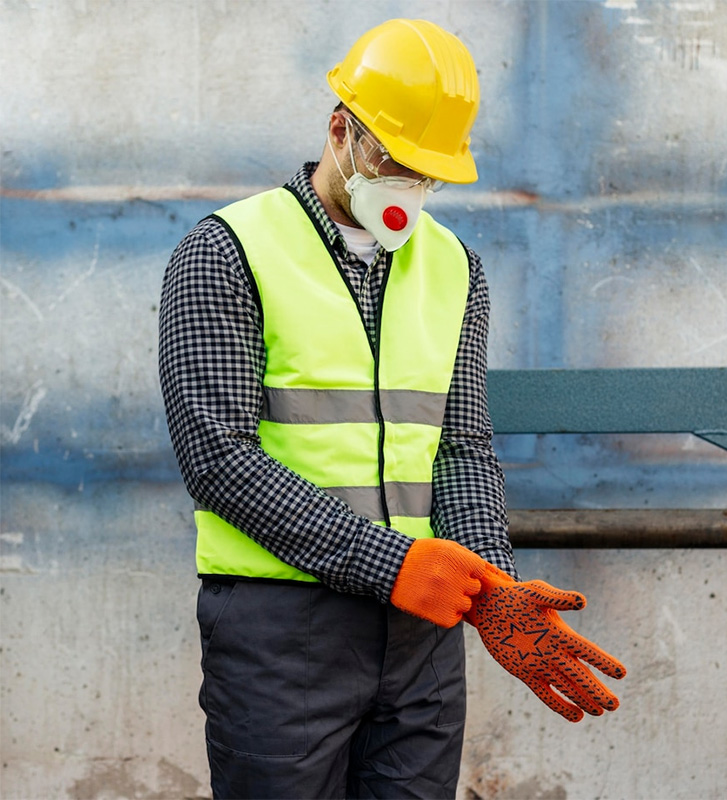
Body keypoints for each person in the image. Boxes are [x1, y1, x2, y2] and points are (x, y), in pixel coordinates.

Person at [159, 18, 625, 800]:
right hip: (282, 636)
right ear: (340, 130)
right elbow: (219, 458)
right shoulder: (227, 252)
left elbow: (460, 448)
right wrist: (393, 563)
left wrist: (495, 588)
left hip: (422, 640)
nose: (407, 184)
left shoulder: (454, 269)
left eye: (426, 172)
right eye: (392, 161)